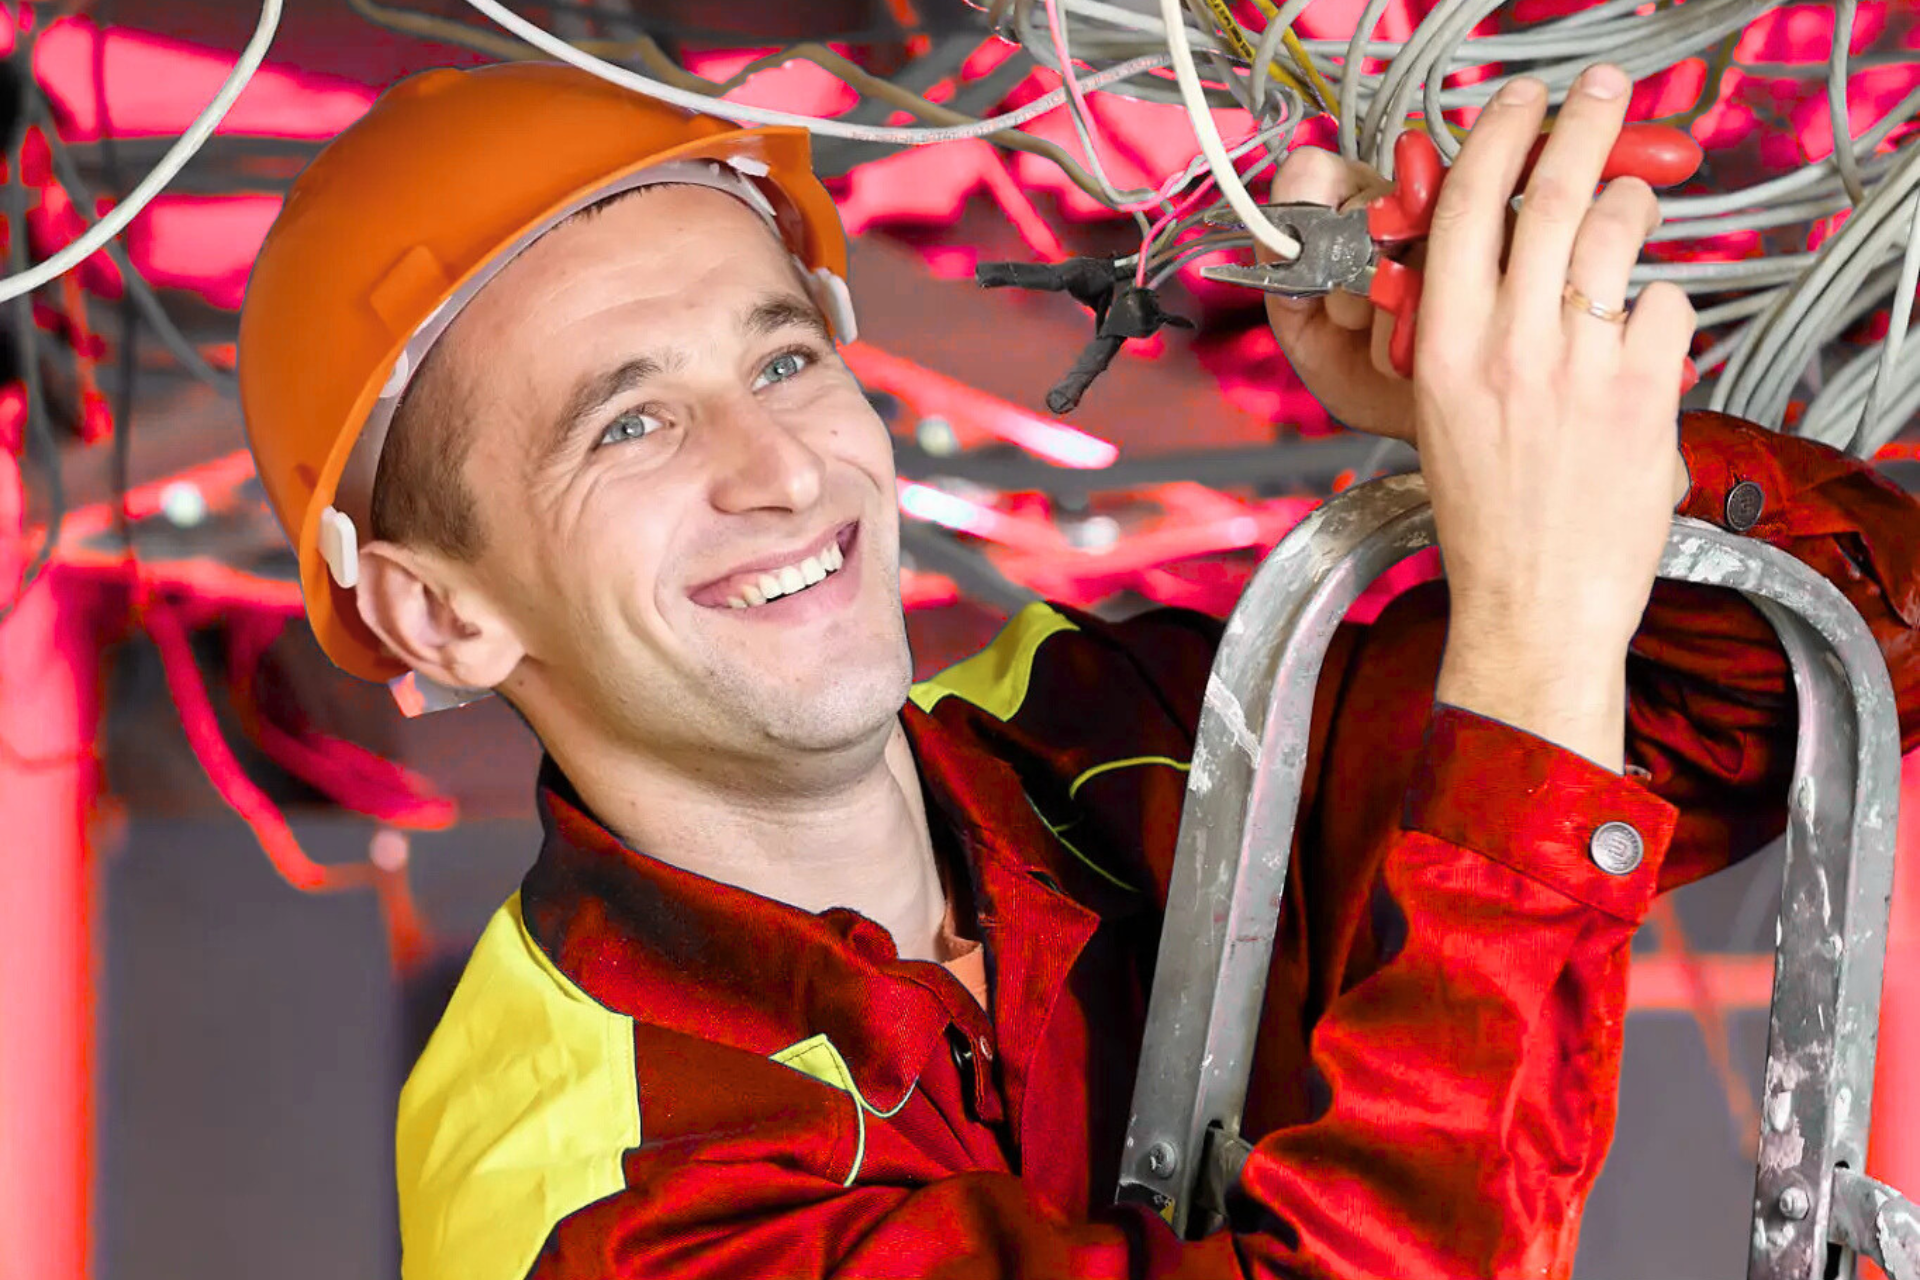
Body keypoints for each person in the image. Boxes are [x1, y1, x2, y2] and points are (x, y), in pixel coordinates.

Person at [237, 58, 1920, 1280]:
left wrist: (1472, 432)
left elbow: (1808, 681)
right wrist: (1532, 628)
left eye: (785, 356)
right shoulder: (601, 1198)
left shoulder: (1109, 735)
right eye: (631, 422)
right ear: (436, 616)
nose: (780, 469)